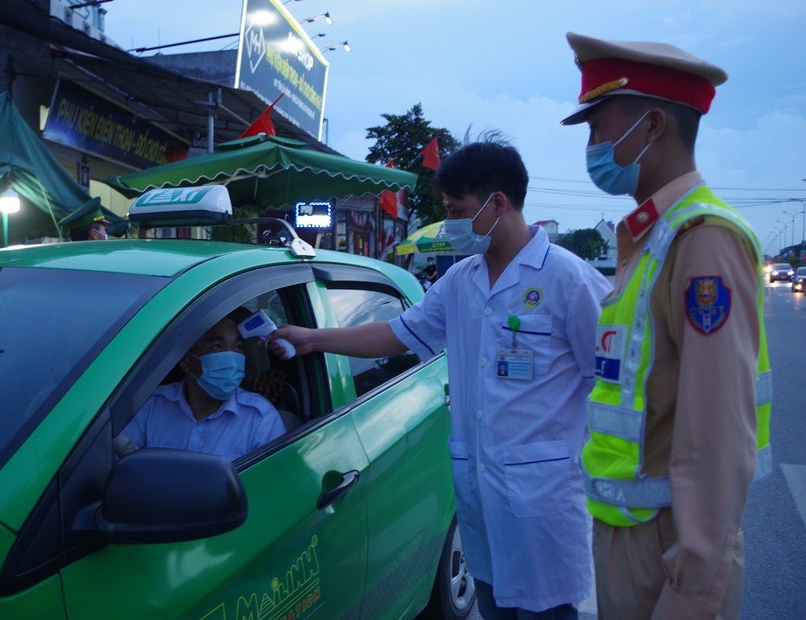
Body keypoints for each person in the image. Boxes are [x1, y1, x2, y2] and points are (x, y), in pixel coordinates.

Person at [272, 136, 611, 619]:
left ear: (497, 203)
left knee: (546, 613)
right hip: (480, 497)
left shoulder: (567, 280)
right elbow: (395, 334)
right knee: (492, 606)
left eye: (457, 209)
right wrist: (314, 338)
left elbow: (614, 383)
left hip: (544, 501)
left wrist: (597, 467)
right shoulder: (460, 280)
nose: (451, 222)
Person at [560, 33, 772, 618]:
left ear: (653, 126)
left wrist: (697, 583)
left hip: (668, 550)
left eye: (599, 126)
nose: (593, 144)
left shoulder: (701, 239)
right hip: (629, 531)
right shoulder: (651, 239)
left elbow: (717, 431)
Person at [119, 309, 287, 461]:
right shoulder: (150, 405)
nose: (231, 358)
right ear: (186, 361)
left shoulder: (260, 418)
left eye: (238, 347)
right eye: (217, 347)